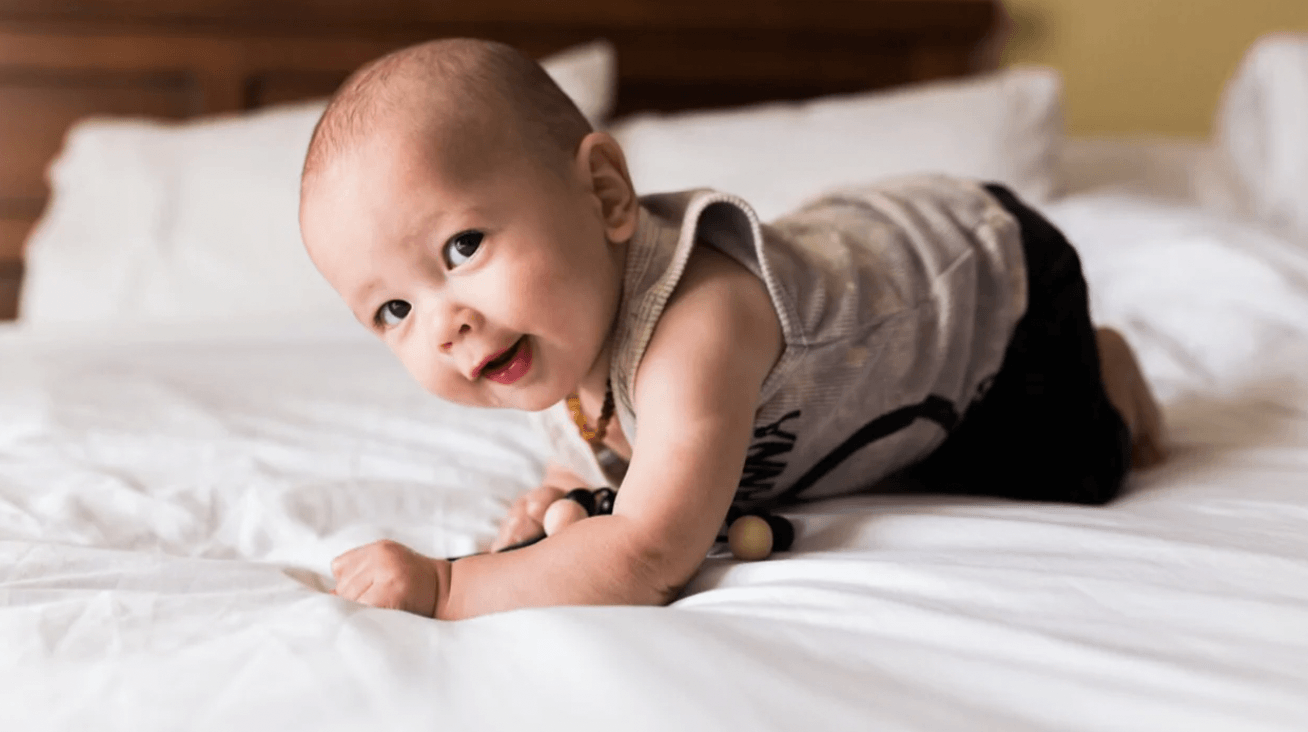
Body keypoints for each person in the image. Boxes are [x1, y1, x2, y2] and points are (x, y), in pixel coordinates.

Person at [298, 38, 1166, 621]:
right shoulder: (541, 329)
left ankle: (1109, 361)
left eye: (462, 245)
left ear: (603, 195)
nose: (444, 324)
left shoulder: (697, 330)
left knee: (1066, 466)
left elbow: (646, 554)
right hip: (843, 253)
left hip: (984, 280)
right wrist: (571, 477)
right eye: (393, 311)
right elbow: (609, 422)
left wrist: (448, 585)